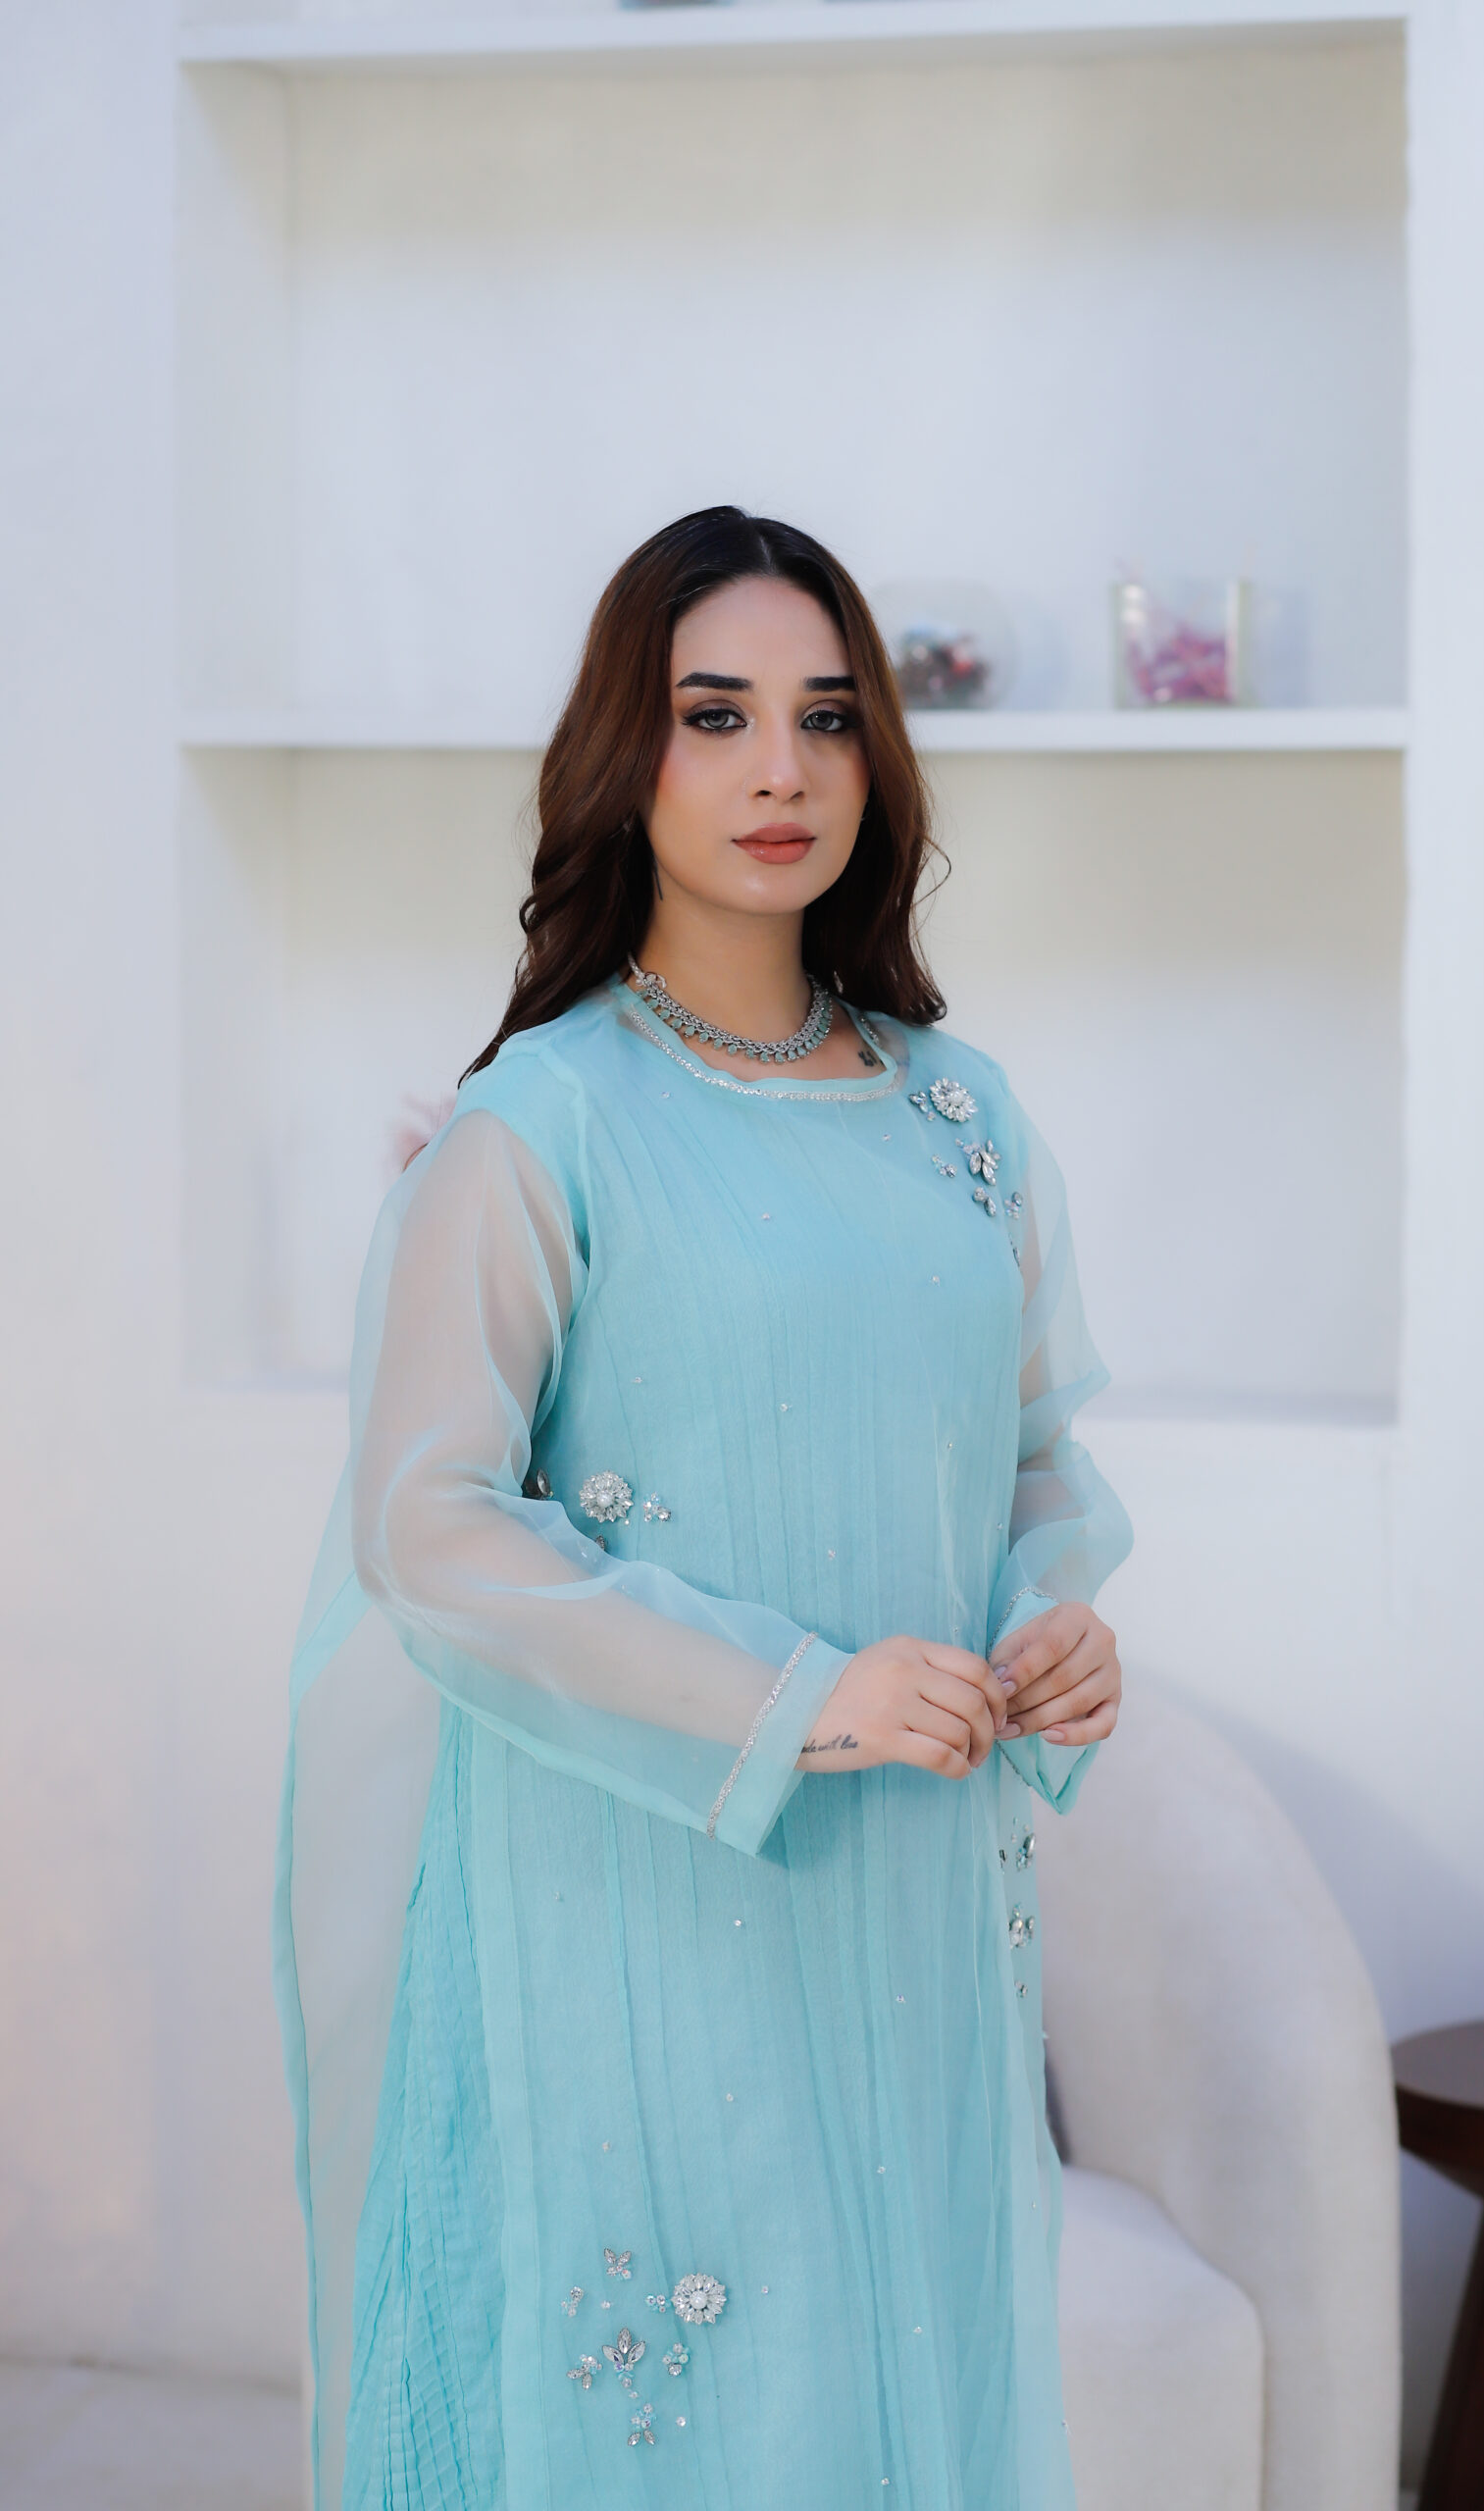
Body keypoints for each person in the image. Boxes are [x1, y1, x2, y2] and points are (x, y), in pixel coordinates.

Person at [274, 507, 1131, 2510]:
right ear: (624, 753)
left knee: (907, 2378)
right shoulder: (541, 1124)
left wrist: (1055, 1623)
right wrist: (797, 1696)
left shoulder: (959, 1112)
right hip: (643, 1892)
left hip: (921, 1895)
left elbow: (1028, 1453)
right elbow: (427, 1525)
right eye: (715, 712)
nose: (779, 769)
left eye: (825, 717)